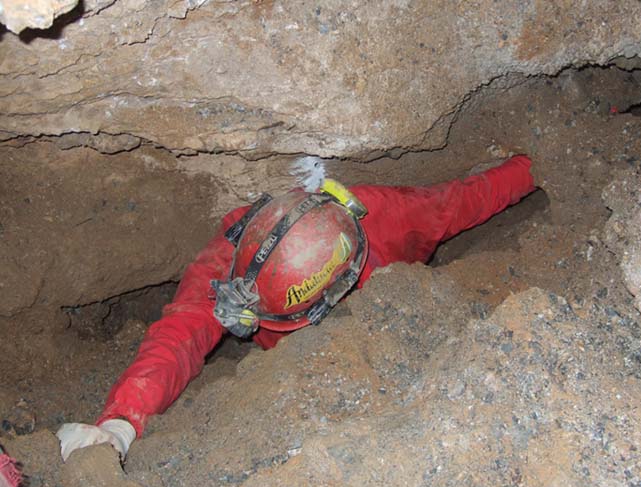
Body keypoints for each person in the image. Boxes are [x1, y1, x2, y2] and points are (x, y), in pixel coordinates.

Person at [57, 155, 536, 461]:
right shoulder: (227, 271)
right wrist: (121, 423)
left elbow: (463, 201)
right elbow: (178, 338)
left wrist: (537, 166)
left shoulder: (381, 214)